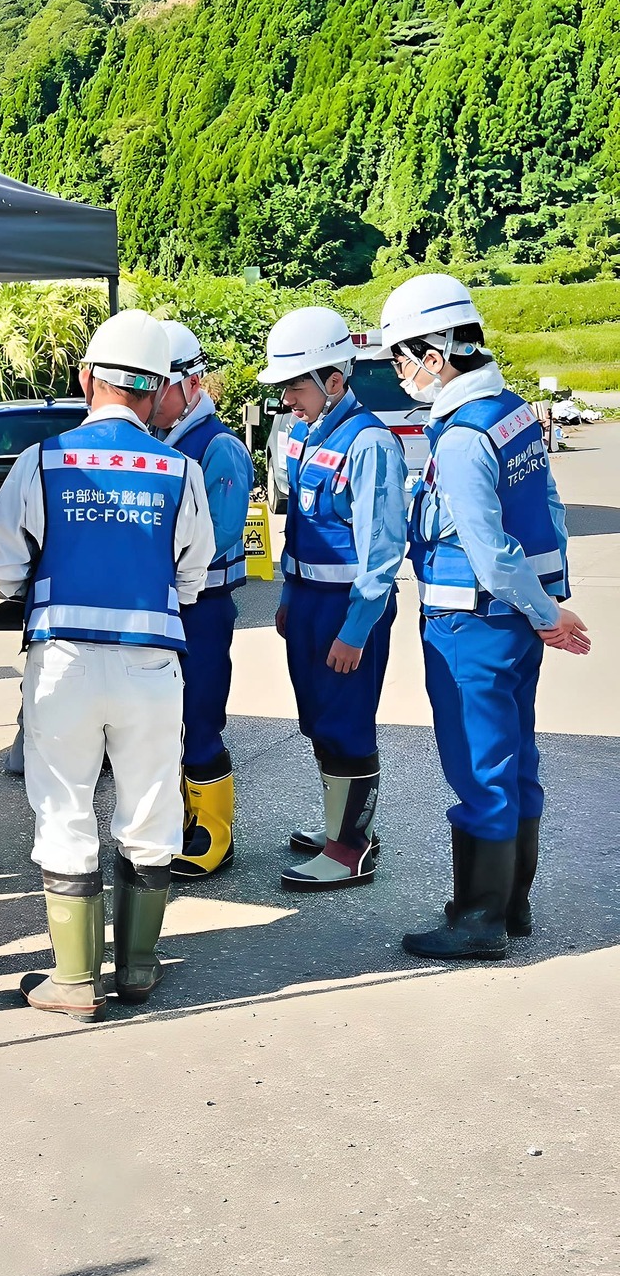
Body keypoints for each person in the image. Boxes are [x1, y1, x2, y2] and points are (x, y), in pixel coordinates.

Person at [0, 310, 214, 1020]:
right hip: (150, 666)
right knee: (149, 808)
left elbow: (1, 563)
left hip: (64, 661)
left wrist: (29, 587)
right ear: (156, 393)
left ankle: (75, 981)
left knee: (63, 808)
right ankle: (138, 967)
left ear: (86, 379)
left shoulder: (43, 461)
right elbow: (194, 576)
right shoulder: (182, 469)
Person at [374, 274, 590, 960]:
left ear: (436, 355)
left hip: (474, 622)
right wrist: (550, 602)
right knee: (515, 759)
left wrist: (545, 610)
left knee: (480, 767)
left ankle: (478, 920)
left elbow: (491, 552)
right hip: (513, 623)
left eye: (402, 359)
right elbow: (548, 513)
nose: (401, 375)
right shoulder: (513, 412)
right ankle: (510, 905)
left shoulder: (464, 437)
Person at [257, 307, 407, 892]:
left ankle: (352, 850)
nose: (288, 398)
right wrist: (291, 594)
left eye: (296, 385)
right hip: (312, 603)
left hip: (350, 608)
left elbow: (382, 549)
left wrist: (357, 627)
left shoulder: (369, 443)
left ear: (334, 382)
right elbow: (299, 527)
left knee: (346, 724)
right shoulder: (301, 435)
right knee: (317, 720)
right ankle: (336, 828)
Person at [151, 320, 254, 878]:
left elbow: (217, 534)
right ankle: (183, 823)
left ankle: (215, 832)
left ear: (190, 383)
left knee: (201, 715)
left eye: (158, 386)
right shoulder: (157, 440)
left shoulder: (220, 448)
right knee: (166, 720)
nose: (150, 398)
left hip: (205, 607)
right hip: (167, 605)